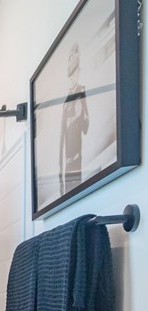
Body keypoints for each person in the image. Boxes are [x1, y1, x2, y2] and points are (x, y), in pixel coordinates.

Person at [59, 42, 89, 197]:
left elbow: (86, 128)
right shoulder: (65, 102)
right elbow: (62, 137)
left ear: (79, 71)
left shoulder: (81, 93)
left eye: (74, 73)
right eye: (69, 74)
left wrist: (80, 114)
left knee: (78, 193)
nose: (71, 78)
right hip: (68, 162)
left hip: (77, 160)